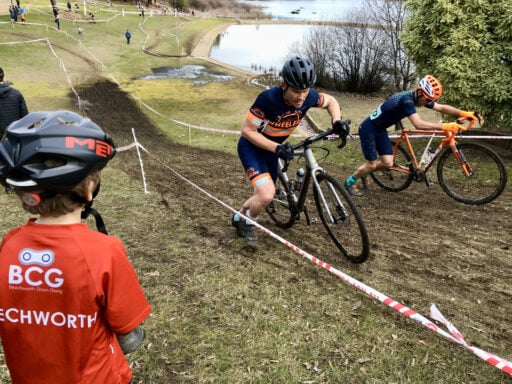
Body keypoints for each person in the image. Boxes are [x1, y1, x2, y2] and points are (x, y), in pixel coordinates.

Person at [0, 110, 152, 383]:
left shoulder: (8, 246)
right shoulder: (104, 251)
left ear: (26, 196)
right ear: (88, 191)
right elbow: (128, 334)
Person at [231, 56, 349, 249]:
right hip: (251, 148)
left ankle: (238, 215)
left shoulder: (309, 96)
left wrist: (336, 121)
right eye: (296, 91)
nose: (301, 97)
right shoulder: (267, 99)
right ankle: (248, 223)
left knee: (262, 194)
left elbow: (331, 101)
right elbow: (247, 131)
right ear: (284, 85)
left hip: (272, 149)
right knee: (267, 195)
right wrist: (277, 148)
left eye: (304, 91)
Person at [344, 75, 481, 196]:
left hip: (380, 129)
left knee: (388, 163)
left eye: (430, 100)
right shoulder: (407, 100)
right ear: (421, 93)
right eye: (428, 100)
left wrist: (464, 113)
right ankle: (350, 182)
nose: (429, 103)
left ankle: (365, 173)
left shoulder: (419, 97)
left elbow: (441, 107)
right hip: (368, 129)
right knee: (372, 164)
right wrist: (445, 126)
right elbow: (418, 124)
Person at [0, 67, 28, 136]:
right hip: (11, 134)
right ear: (3, 77)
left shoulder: (16, 94)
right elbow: (25, 117)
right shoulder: (16, 94)